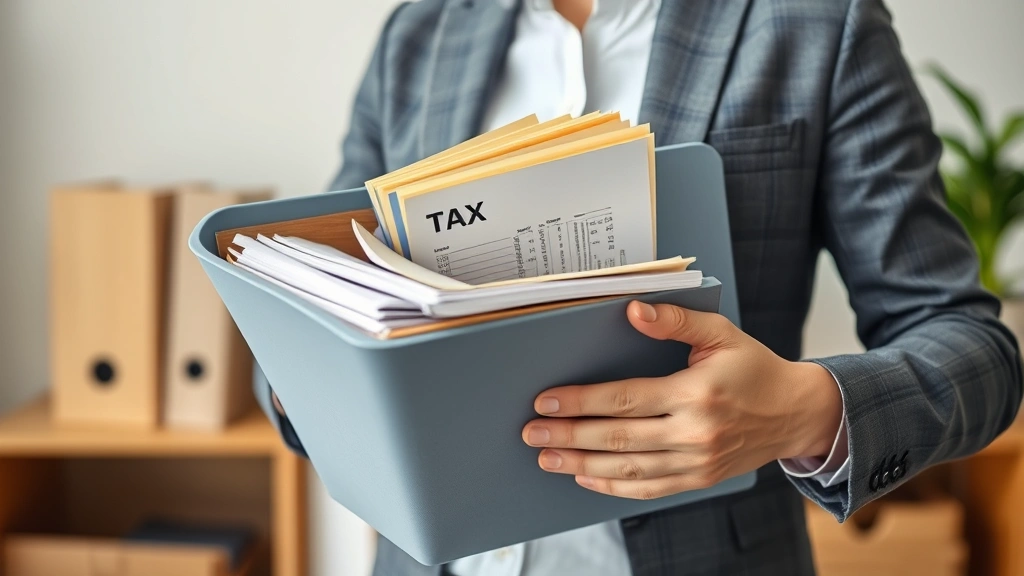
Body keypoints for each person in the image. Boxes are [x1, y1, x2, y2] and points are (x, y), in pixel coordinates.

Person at [259, 0, 1024, 574]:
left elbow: (976, 350)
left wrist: (804, 412)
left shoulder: (820, 23)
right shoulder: (420, 34)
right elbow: (318, 297)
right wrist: (307, 378)